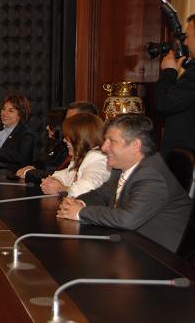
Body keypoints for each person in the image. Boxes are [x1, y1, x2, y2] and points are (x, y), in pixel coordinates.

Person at [57, 113, 192, 252]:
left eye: (111, 141)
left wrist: (80, 212)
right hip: (130, 243)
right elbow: (101, 194)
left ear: (135, 146)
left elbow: (126, 219)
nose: (103, 147)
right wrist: (78, 203)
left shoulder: (153, 176)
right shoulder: (121, 167)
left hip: (159, 255)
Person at [40, 113, 110, 197]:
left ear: (80, 138)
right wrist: (52, 181)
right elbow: (64, 175)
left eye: (68, 137)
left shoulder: (98, 157)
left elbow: (87, 189)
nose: (64, 140)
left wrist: (61, 189)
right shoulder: (80, 156)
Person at [155, 13, 195, 157]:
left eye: (188, 37)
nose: (185, 43)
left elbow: (164, 104)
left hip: (185, 156)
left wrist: (169, 71)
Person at [16, 107, 68, 183]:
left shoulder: (67, 148)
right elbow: (43, 163)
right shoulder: (54, 143)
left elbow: (55, 173)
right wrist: (32, 167)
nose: (47, 127)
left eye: (50, 124)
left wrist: (28, 172)